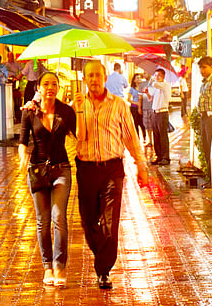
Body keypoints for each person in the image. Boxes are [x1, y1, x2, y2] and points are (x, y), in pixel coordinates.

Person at [74, 60, 149, 290]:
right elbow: (73, 136)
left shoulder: (119, 105)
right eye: (90, 76)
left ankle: (104, 270)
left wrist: (141, 165)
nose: (94, 79)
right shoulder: (77, 103)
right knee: (88, 222)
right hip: (85, 168)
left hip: (112, 168)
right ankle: (102, 254)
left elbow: (130, 137)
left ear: (105, 77)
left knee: (109, 220)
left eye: (98, 75)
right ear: (84, 79)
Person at [18, 71, 76, 288]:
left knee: (59, 217)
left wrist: (79, 106)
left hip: (61, 169)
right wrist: (22, 156)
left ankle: (60, 266)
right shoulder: (30, 112)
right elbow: (22, 141)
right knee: (42, 221)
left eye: (54, 84)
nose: (50, 87)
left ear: (58, 88)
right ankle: (47, 267)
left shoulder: (66, 111)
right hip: (37, 170)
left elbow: (80, 135)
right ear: (39, 88)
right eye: (46, 84)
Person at [195, 57, 212, 187]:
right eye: (200, 68)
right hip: (204, 117)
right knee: (207, 149)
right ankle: (211, 179)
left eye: (204, 67)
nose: (202, 70)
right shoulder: (205, 82)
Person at [145, 69, 172, 165]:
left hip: (162, 113)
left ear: (163, 76)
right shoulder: (156, 87)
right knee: (156, 135)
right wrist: (147, 93)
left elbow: (155, 84)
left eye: (158, 75)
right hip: (155, 113)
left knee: (163, 135)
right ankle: (159, 156)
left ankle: (166, 157)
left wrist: (152, 80)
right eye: (155, 75)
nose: (156, 77)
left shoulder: (165, 85)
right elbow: (150, 99)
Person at [128, 73, 147, 146]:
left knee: (142, 123)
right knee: (135, 123)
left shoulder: (143, 88)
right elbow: (129, 99)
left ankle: (144, 136)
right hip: (134, 108)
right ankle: (137, 138)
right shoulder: (132, 89)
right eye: (137, 78)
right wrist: (136, 103)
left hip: (142, 107)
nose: (139, 79)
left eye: (140, 78)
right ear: (134, 80)